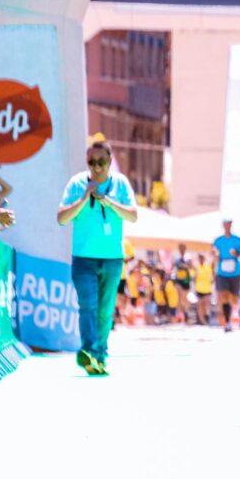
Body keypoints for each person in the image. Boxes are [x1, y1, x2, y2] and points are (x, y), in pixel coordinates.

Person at [57, 140, 137, 375]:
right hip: (83, 259)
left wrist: (108, 202)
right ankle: (89, 351)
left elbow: (133, 216)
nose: (97, 167)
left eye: (101, 162)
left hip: (112, 259)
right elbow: (61, 218)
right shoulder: (77, 184)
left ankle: (100, 355)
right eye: (92, 162)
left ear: (110, 161)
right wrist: (84, 198)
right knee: (87, 306)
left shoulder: (120, 184)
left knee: (105, 310)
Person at [212, 218, 240, 332]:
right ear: (223, 226)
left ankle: (234, 314)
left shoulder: (237, 240)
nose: (227, 226)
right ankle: (227, 322)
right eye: (225, 224)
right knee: (223, 295)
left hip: (235, 272)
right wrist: (215, 253)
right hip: (222, 272)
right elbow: (213, 251)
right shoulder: (218, 240)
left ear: (231, 225)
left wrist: (237, 253)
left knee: (234, 297)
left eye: (229, 224)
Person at [171, 243, 193, 322]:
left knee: (184, 298)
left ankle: (185, 312)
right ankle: (179, 314)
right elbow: (173, 266)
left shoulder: (188, 257)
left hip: (186, 280)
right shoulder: (176, 257)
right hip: (178, 279)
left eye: (182, 247)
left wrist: (185, 266)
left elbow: (191, 266)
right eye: (180, 248)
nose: (181, 249)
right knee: (179, 296)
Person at [194, 253, 214, 325]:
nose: (200, 259)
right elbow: (194, 278)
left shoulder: (208, 267)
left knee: (206, 304)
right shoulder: (197, 267)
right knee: (200, 305)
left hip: (207, 289)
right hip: (199, 289)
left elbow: (211, 276)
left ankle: (206, 317)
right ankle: (202, 320)